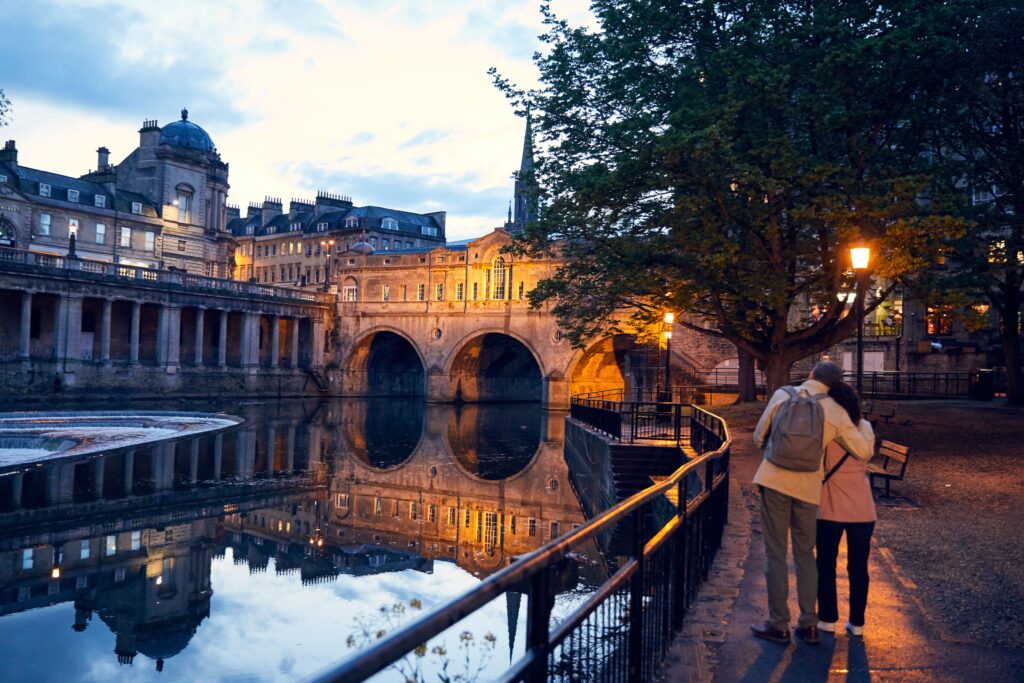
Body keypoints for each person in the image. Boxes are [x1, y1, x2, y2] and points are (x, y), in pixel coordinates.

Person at [750, 361, 875, 645]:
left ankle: (778, 623)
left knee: (775, 554)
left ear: (810, 376)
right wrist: (863, 426)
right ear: (834, 385)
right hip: (808, 488)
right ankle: (808, 624)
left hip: (773, 481)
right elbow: (864, 450)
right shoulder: (835, 411)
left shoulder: (783, 395)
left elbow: (759, 436)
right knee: (806, 554)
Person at [817, 381, 877, 638]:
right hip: (863, 508)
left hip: (830, 506)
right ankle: (858, 622)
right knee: (858, 567)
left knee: (826, 565)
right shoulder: (865, 428)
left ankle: (827, 618)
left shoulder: (827, 430)